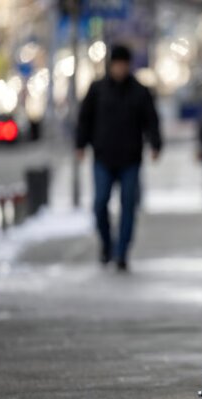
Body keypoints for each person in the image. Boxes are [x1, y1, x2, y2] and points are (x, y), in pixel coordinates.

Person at [75, 44, 162, 272]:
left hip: (130, 159)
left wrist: (155, 144)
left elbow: (151, 120)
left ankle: (122, 252)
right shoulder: (97, 89)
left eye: (124, 64)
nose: (120, 69)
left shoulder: (140, 91)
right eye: (117, 64)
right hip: (103, 157)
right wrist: (80, 145)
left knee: (128, 207)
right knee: (99, 203)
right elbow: (85, 119)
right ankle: (106, 244)